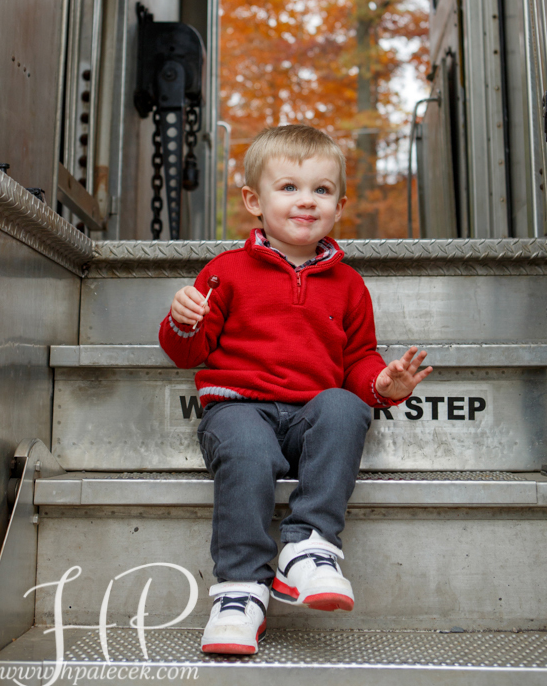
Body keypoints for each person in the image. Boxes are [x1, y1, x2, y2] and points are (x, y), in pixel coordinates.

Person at [159, 124, 432, 655]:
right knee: (246, 448)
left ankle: (309, 547)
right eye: (288, 188)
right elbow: (187, 353)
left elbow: (356, 359)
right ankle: (241, 590)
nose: (305, 200)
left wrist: (381, 383)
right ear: (254, 201)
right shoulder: (225, 272)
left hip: (311, 416)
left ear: (340, 204)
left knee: (346, 406)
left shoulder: (349, 284)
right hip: (240, 410)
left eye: (321, 190)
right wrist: (184, 320)